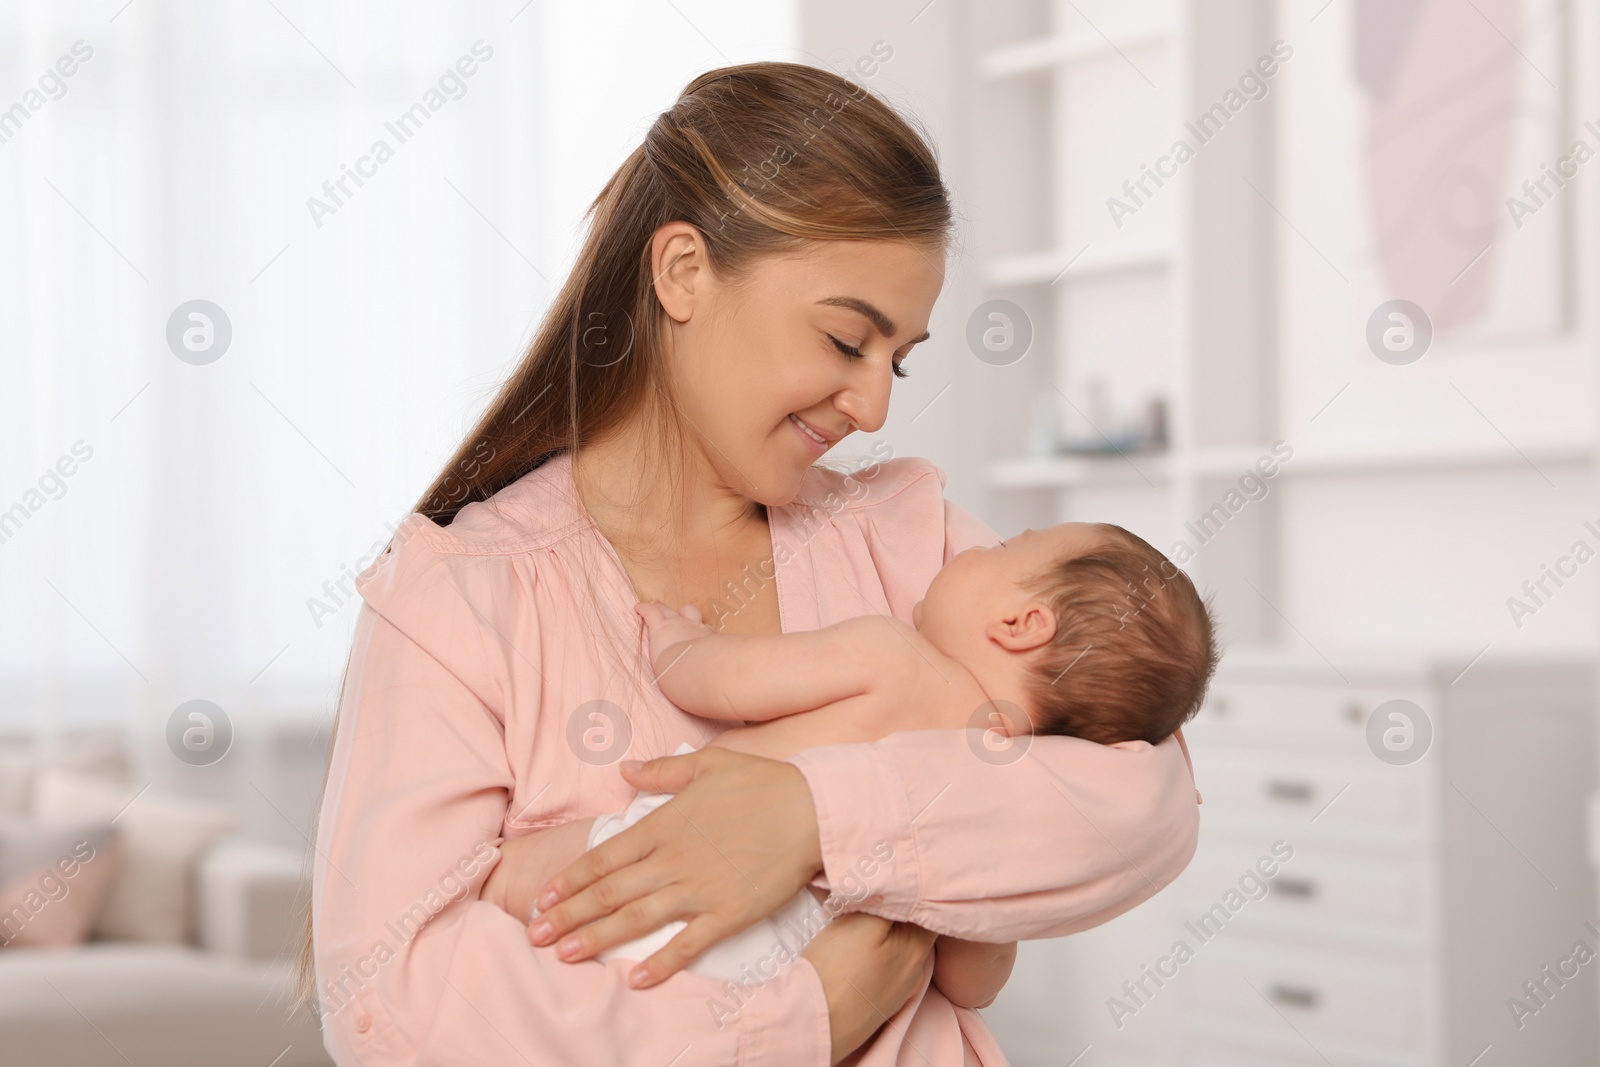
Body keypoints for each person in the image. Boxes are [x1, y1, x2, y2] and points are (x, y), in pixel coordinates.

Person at [300, 61, 1201, 1066]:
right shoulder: (461, 597)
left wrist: (814, 817)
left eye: (896, 358)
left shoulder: (908, 539)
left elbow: (1148, 798)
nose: (873, 404)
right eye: (844, 337)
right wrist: (800, 1019)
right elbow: (396, 1003)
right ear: (683, 271)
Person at [551, 520, 1216, 1007]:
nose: (978, 545)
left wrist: (677, 637)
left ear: (1020, 623)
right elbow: (970, 982)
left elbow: (720, 682)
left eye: (1005, 546)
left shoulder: (892, 657)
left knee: (520, 895)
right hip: (797, 964)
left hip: (682, 856)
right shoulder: (989, 818)